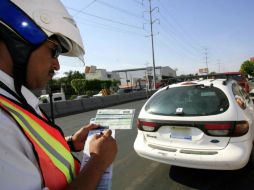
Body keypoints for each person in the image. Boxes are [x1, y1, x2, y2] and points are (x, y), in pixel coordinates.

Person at [0, 0, 117, 190]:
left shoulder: (14, 100)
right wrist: (98, 161)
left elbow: (31, 151)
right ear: (19, 38)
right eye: (54, 51)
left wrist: (70, 142)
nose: (57, 66)